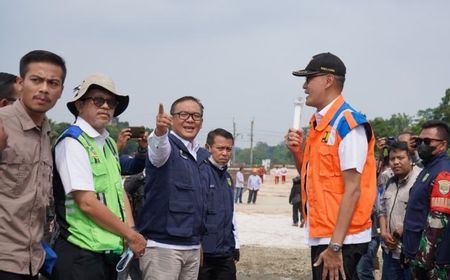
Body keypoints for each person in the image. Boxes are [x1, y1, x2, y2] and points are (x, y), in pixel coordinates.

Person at [285, 52, 376, 279]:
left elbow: (353, 189)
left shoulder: (348, 124)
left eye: (309, 79)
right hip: (324, 234)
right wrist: (297, 152)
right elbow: (309, 178)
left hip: (343, 240)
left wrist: (335, 247)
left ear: (328, 81)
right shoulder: (319, 124)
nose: (304, 86)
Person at [51, 74, 146, 280]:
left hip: (107, 251)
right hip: (80, 252)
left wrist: (130, 230)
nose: (105, 106)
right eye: (97, 100)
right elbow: (86, 203)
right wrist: (130, 235)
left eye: (111, 102)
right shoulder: (72, 143)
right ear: (79, 104)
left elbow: (118, 190)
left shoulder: (109, 143)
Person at [0, 50, 66, 280]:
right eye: (36, 80)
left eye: (53, 83)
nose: (44, 89)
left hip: (32, 261)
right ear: (21, 83)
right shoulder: (2, 123)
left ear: (61, 91)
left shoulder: (46, 133)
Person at [139, 96, 209, 280]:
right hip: (163, 248)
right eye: (183, 114)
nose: (190, 120)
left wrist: (198, 243)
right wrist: (160, 131)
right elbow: (158, 147)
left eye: (196, 116)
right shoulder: (166, 146)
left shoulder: (201, 155)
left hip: (192, 247)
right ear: (172, 118)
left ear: (201, 122)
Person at [402, 120, 450, 279]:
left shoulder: (443, 172)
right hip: (415, 254)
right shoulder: (428, 167)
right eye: (419, 140)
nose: (422, 144)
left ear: (443, 145)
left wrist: (423, 262)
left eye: (427, 141)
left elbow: (438, 222)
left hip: (429, 263)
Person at [198, 128, 240, 280]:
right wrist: (197, 245)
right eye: (220, 148)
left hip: (225, 252)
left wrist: (236, 244)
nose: (225, 153)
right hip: (204, 253)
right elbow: (196, 213)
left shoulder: (227, 177)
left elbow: (231, 214)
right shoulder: (200, 174)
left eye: (228, 149)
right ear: (208, 148)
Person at [378, 141, 420, 279]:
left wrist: (400, 232)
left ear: (410, 159)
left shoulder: (420, 180)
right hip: (390, 252)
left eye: (400, 158)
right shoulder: (389, 180)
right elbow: (382, 209)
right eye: (392, 159)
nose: (395, 162)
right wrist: (384, 232)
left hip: (412, 254)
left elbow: (425, 215)